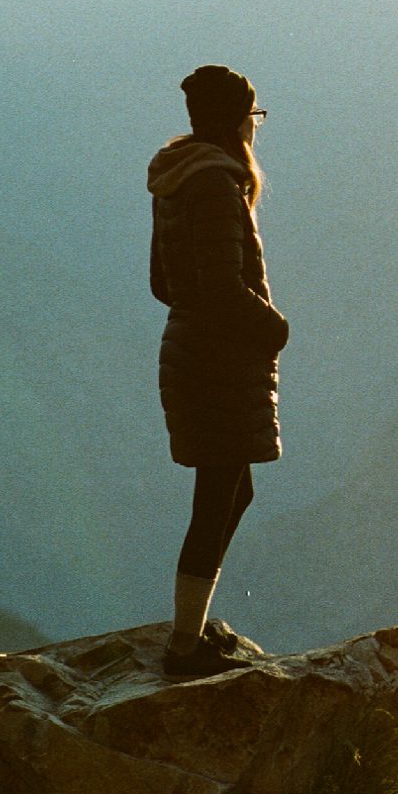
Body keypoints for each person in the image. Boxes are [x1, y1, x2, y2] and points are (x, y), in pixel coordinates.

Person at [146, 64, 290, 677]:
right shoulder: (215, 185)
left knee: (235, 490)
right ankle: (185, 647)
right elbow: (223, 288)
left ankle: (193, 629)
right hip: (217, 362)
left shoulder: (176, 180)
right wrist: (274, 327)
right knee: (216, 498)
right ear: (240, 121)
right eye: (253, 118)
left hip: (191, 350)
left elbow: (163, 284)